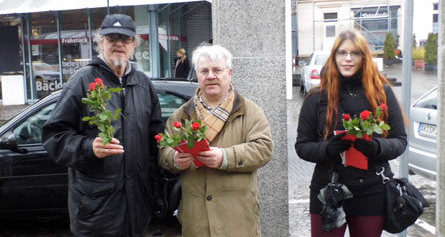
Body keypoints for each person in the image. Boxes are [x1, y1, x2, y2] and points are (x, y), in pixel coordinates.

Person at [42, 14, 164, 237]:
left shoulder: (143, 84)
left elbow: (155, 140)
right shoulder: (81, 81)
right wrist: (88, 147)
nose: (119, 44)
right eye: (112, 38)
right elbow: (54, 137)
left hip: (137, 205)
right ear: (100, 42)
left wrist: (156, 192)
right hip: (96, 209)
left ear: (134, 45)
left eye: (125, 39)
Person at [295, 30, 407, 237]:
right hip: (327, 192)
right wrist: (327, 148)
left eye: (355, 53)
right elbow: (302, 146)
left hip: (371, 192)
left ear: (364, 57)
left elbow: (400, 141)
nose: (348, 59)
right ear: (334, 56)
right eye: (342, 53)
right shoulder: (317, 97)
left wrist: (378, 147)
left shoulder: (382, 93)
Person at [158, 44, 274, 237]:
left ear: (229, 73)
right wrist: (175, 160)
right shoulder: (181, 115)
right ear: (197, 74)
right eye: (204, 71)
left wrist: (226, 157)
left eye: (217, 70)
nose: (210, 76)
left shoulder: (249, 111)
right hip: (196, 221)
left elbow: (264, 149)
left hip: (237, 219)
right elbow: (164, 152)